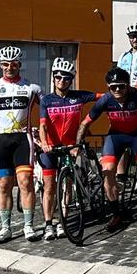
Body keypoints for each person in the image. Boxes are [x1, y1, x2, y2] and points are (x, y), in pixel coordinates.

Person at [77, 67, 137, 230]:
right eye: (113, 87)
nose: (117, 90)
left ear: (127, 85)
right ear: (108, 87)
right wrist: (77, 146)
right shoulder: (105, 100)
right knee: (107, 170)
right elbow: (85, 123)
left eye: (121, 86)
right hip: (116, 136)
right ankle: (115, 214)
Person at [0, 46, 41, 242]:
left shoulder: (32, 88)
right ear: (0, 65)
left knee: (25, 183)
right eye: (5, 64)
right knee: (4, 185)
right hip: (1, 141)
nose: (9, 67)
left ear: (19, 65)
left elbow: (50, 109)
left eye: (13, 64)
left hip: (23, 140)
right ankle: (6, 228)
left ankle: (28, 226)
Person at [36, 58, 98, 239]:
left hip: (71, 147)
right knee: (49, 187)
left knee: (68, 184)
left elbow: (105, 96)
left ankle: (63, 219)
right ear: (53, 78)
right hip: (51, 149)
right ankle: (49, 224)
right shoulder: (46, 100)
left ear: (71, 80)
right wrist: (45, 143)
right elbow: (43, 126)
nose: (62, 81)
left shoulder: (78, 97)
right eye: (58, 77)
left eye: (66, 78)